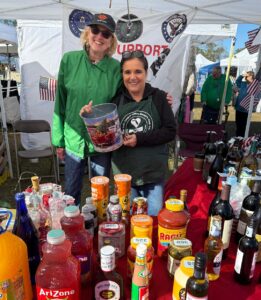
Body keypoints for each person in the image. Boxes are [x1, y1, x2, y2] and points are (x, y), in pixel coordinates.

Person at [81, 51, 176, 216]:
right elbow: (104, 138)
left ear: (146, 73)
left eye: (138, 71)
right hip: (124, 177)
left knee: (151, 222)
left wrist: (139, 139)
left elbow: (170, 131)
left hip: (153, 176)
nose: (133, 77)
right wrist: (90, 118)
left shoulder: (159, 98)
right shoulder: (115, 103)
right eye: (127, 72)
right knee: (126, 221)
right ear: (122, 75)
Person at [52, 13, 122, 205]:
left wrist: (158, 96)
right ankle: (71, 231)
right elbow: (60, 102)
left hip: (102, 141)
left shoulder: (116, 68)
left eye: (105, 34)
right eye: (95, 30)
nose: (99, 37)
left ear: (111, 41)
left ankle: (101, 232)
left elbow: (128, 97)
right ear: (87, 33)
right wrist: (58, 141)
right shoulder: (69, 60)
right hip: (73, 138)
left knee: (101, 194)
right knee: (71, 191)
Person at [234, 71, 260, 137]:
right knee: (238, 124)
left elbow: (258, 96)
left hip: (246, 110)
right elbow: (237, 82)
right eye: (245, 76)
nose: (245, 78)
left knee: (244, 126)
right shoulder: (243, 83)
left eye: (247, 76)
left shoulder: (255, 86)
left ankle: (243, 139)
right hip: (238, 108)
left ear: (251, 76)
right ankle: (238, 138)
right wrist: (242, 75)